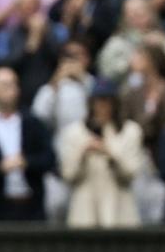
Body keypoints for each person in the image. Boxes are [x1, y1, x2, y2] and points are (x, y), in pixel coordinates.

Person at [0, 66, 55, 221]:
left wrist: (26, 162)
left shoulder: (33, 123)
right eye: (5, 85)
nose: (11, 89)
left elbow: (49, 158)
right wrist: (0, 168)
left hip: (32, 206)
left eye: (14, 84)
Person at [58, 79, 145, 228]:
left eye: (107, 101)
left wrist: (110, 154)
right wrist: (83, 153)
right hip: (85, 213)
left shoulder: (130, 131)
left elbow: (130, 174)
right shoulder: (74, 133)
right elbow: (68, 175)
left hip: (119, 212)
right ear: (90, 103)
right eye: (98, 101)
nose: (102, 107)